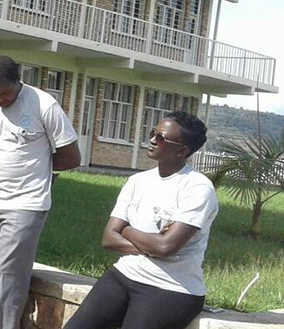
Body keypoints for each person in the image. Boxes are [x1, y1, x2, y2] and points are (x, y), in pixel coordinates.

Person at [64, 111, 217, 329]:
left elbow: (165, 247)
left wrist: (126, 230)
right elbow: (108, 239)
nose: (153, 140)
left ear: (182, 151)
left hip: (171, 287)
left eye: (162, 138)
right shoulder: (137, 182)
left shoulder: (197, 188)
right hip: (125, 274)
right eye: (153, 133)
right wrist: (151, 244)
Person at [0, 55, 81, 329]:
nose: (0, 100)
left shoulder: (44, 105)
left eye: (5, 93)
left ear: (18, 82)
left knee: (9, 276)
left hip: (26, 203)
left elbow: (71, 156)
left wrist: (37, 169)